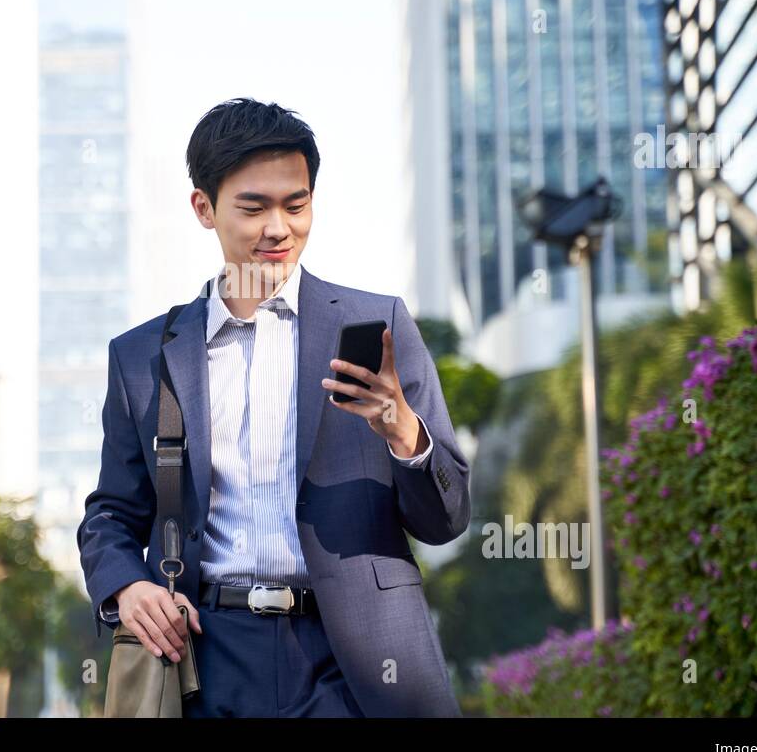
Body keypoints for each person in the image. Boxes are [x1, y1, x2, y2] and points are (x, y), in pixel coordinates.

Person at [76, 98, 471, 717]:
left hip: (356, 662)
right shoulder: (143, 357)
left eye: (297, 203)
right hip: (208, 657)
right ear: (203, 208)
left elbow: (446, 519)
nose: (278, 228)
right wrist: (125, 585)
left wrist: (401, 429)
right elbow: (111, 513)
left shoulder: (378, 326)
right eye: (253, 206)